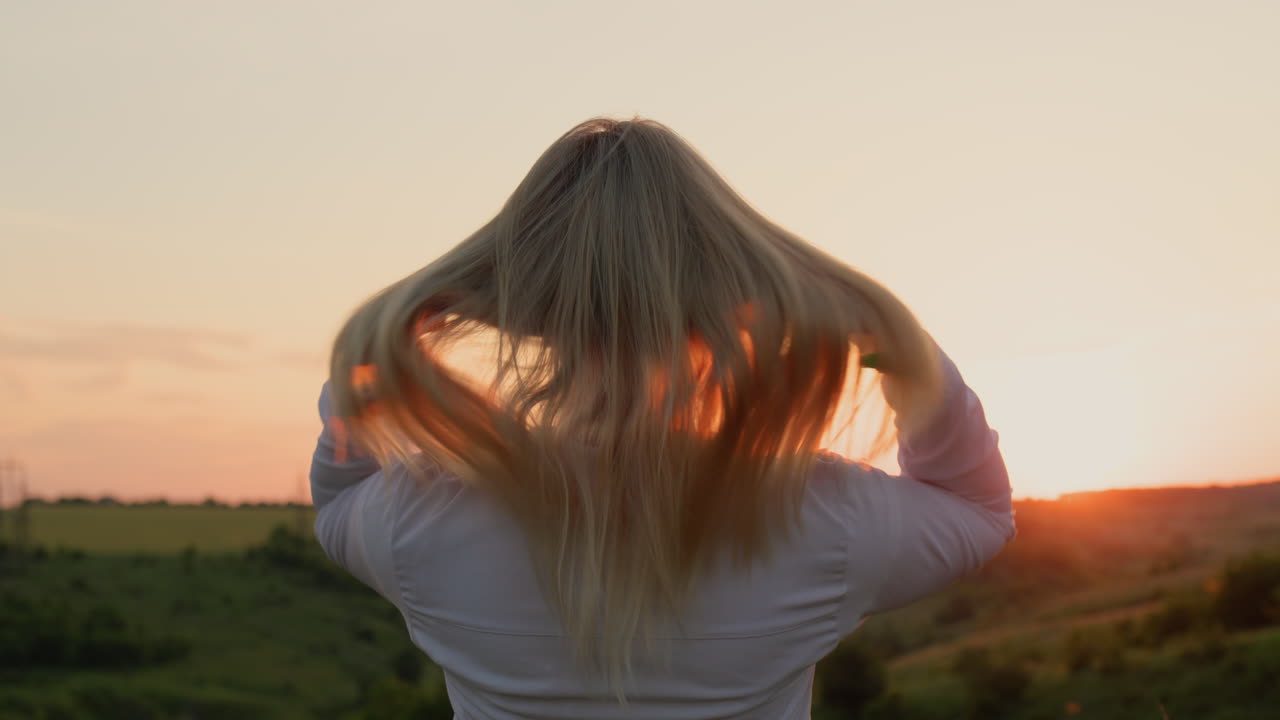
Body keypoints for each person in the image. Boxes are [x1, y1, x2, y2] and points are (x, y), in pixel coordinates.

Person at [310, 116, 1015, 719]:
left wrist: (413, 315)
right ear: (728, 301)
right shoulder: (820, 521)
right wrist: (882, 336)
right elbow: (978, 508)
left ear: (526, 311)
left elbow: (340, 495)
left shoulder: (416, 525)